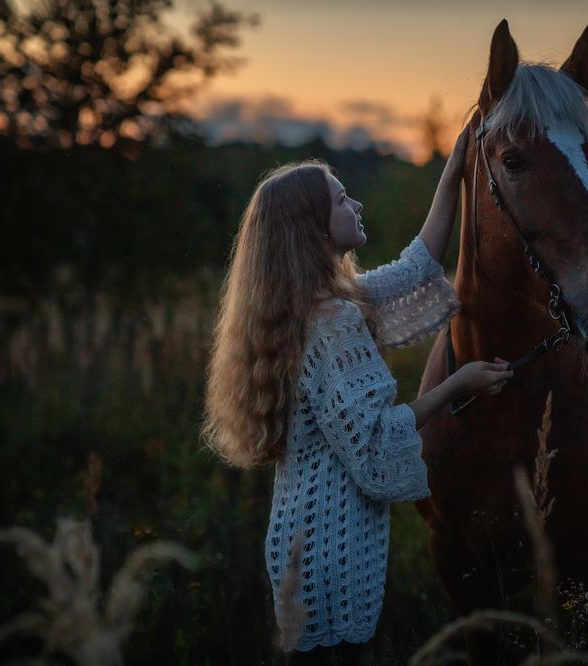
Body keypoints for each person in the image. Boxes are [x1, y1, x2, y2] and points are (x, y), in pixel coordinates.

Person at [202, 127, 513, 665]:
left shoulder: (316, 309)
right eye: (343, 199)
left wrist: (456, 168)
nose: (357, 202)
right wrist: (457, 385)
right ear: (314, 230)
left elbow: (418, 266)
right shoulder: (334, 324)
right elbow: (374, 441)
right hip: (332, 551)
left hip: (304, 543)